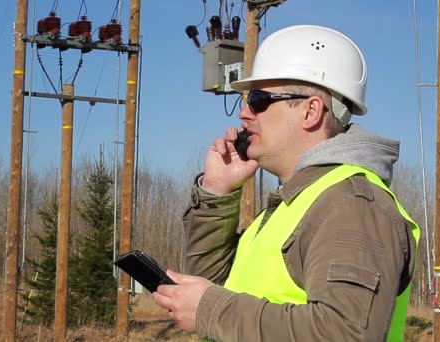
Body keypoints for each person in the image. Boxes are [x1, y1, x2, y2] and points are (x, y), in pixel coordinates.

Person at [152, 25, 420, 341]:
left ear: (311, 111)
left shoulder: (352, 204)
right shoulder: (294, 205)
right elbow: (218, 291)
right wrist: (217, 192)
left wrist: (212, 309)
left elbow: (343, 333)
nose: (244, 113)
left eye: (258, 99)